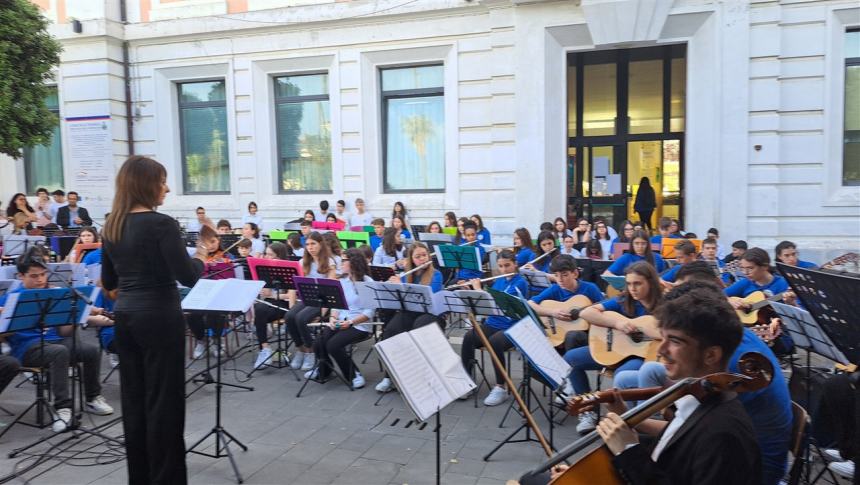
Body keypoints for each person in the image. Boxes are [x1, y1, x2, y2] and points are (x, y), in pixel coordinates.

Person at [613, 279, 792, 485]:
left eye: (675, 340)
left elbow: (700, 437)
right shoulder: (711, 379)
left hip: (756, 467)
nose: (661, 350)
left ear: (711, 355)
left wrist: (628, 450)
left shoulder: (727, 380)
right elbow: (687, 429)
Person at [101, 156, 206, 484]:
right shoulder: (162, 224)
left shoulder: (111, 225)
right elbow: (187, 276)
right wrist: (201, 257)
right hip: (160, 317)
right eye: (162, 181)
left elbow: (109, 281)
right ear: (145, 184)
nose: (167, 188)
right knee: (165, 402)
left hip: (126, 317)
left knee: (134, 400)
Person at [0, 250, 114, 433]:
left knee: (90, 351)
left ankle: (93, 397)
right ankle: (62, 407)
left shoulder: (52, 295)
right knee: (59, 352)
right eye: (34, 276)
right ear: (21, 276)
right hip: (27, 349)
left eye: (43, 274)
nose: (40, 280)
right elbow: (4, 335)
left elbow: (64, 331)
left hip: (55, 343)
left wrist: (75, 316)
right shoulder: (10, 298)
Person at [564, 261, 663, 433]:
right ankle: (588, 410)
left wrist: (643, 329)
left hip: (644, 356)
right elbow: (586, 312)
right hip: (616, 349)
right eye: (629, 283)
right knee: (571, 359)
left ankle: (631, 423)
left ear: (651, 282)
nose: (632, 288)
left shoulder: (664, 304)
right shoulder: (625, 299)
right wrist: (618, 323)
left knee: (621, 377)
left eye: (638, 283)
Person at [459, 250, 528, 406]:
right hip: (493, 323)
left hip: (512, 327)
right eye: (501, 266)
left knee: (495, 341)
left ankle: (500, 387)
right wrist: (470, 291)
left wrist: (479, 290)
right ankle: (468, 382)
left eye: (507, 265)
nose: (503, 270)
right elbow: (487, 303)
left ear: (515, 264)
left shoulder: (520, 282)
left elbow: (500, 303)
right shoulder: (499, 281)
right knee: (469, 336)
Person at [375, 242, 445, 393]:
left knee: (417, 329)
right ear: (412, 259)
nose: (422, 259)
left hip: (430, 314)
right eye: (418, 257)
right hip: (410, 312)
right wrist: (390, 287)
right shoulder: (408, 274)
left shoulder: (436, 274)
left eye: (424, 255)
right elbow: (402, 299)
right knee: (389, 331)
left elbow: (429, 297)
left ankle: (420, 377)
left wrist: (402, 286)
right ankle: (390, 377)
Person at [306, 248, 375, 388]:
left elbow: (369, 313)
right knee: (319, 342)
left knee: (333, 345)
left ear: (354, 262)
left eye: (344, 261)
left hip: (359, 324)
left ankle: (354, 374)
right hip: (342, 321)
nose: (341, 263)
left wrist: (350, 322)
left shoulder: (368, 282)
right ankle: (324, 370)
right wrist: (332, 318)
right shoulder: (343, 281)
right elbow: (337, 305)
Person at [284, 232, 337, 372]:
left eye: (313, 243)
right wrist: (292, 306)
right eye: (307, 244)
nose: (310, 247)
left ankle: (311, 351)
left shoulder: (330, 262)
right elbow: (295, 286)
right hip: (307, 298)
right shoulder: (302, 262)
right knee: (289, 316)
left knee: (301, 319)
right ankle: (300, 349)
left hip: (322, 301)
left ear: (321, 244)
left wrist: (323, 313)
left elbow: (331, 290)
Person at [527, 254, 604, 350]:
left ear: (575, 274)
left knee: (572, 336)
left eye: (564, 275)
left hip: (588, 333)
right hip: (560, 331)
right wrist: (552, 312)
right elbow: (530, 304)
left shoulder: (590, 288)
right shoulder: (555, 289)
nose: (560, 280)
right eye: (556, 275)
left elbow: (604, 310)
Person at [251, 242, 292, 370]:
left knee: (259, 312)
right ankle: (265, 348)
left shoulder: (289, 270)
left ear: (279, 257)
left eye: (270, 255)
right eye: (266, 254)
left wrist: (273, 296)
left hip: (284, 303)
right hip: (270, 302)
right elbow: (267, 294)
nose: (266, 257)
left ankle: (264, 350)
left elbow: (290, 295)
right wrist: (264, 290)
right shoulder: (265, 269)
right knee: (259, 309)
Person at [724, 248, 791, 306]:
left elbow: (796, 310)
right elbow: (719, 295)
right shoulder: (746, 282)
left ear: (765, 267)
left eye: (750, 268)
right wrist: (730, 300)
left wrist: (791, 303)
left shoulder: (783, 284)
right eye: (742, 268)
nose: (745, 273)